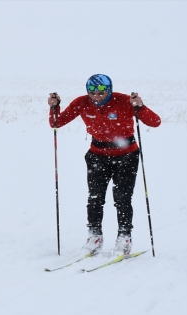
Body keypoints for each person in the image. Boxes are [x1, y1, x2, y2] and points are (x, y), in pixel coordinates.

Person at [48, 74, 161, 255]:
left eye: (101, 92)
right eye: (92, 92)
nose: (97, 97)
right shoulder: (82, 102)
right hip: (97, 155)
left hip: (127, 155)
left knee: (122, 198)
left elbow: (155, 122)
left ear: (109, 90)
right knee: (95, 198)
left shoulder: (124, 101)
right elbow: (56, 123)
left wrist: (140, 106)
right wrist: (54, 107)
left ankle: (124, 238)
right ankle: (95, 237)